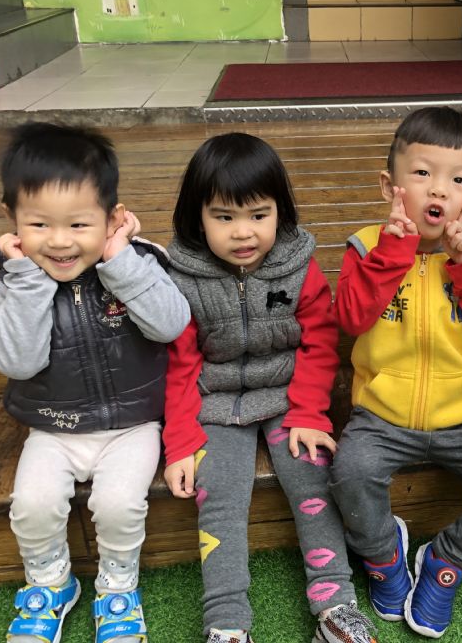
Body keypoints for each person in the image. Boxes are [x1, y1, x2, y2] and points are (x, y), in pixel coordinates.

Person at [330, 107, 462, 639]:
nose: (439, 190)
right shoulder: (365, 247)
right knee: (351, 473)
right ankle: (384, 557)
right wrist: (393, 252)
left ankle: (446, 561)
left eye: (459, 181)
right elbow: (351, 318)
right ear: (390, 186)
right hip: (382, 415)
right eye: (422, 173)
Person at [162, 133, 378, 643]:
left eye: (258, 215)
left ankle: (336, 606)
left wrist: (309, 413)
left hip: (287, 397)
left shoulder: (298, 267)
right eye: (224, 216)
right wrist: (181, 442)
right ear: (197, 217)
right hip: (216, 406)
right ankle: (226, 623)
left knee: (312, 478)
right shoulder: (182, 278)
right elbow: (178, 364)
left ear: (280, 211)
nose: (243, 232)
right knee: (219, 497)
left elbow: (320, 344)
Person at [0, 122, 190, 643]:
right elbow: (16, 362)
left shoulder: (139, 264)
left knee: (119, 504)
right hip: (52, 427)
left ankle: (117, 587)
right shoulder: (17, 283)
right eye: (39, 224)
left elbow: (170, 324)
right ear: (12, 221)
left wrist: (120, 262)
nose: (59, 241)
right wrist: (26, 282)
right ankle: (50, 584)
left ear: (113, 218)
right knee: (32, 505)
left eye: (79, 224)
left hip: (133, 425)